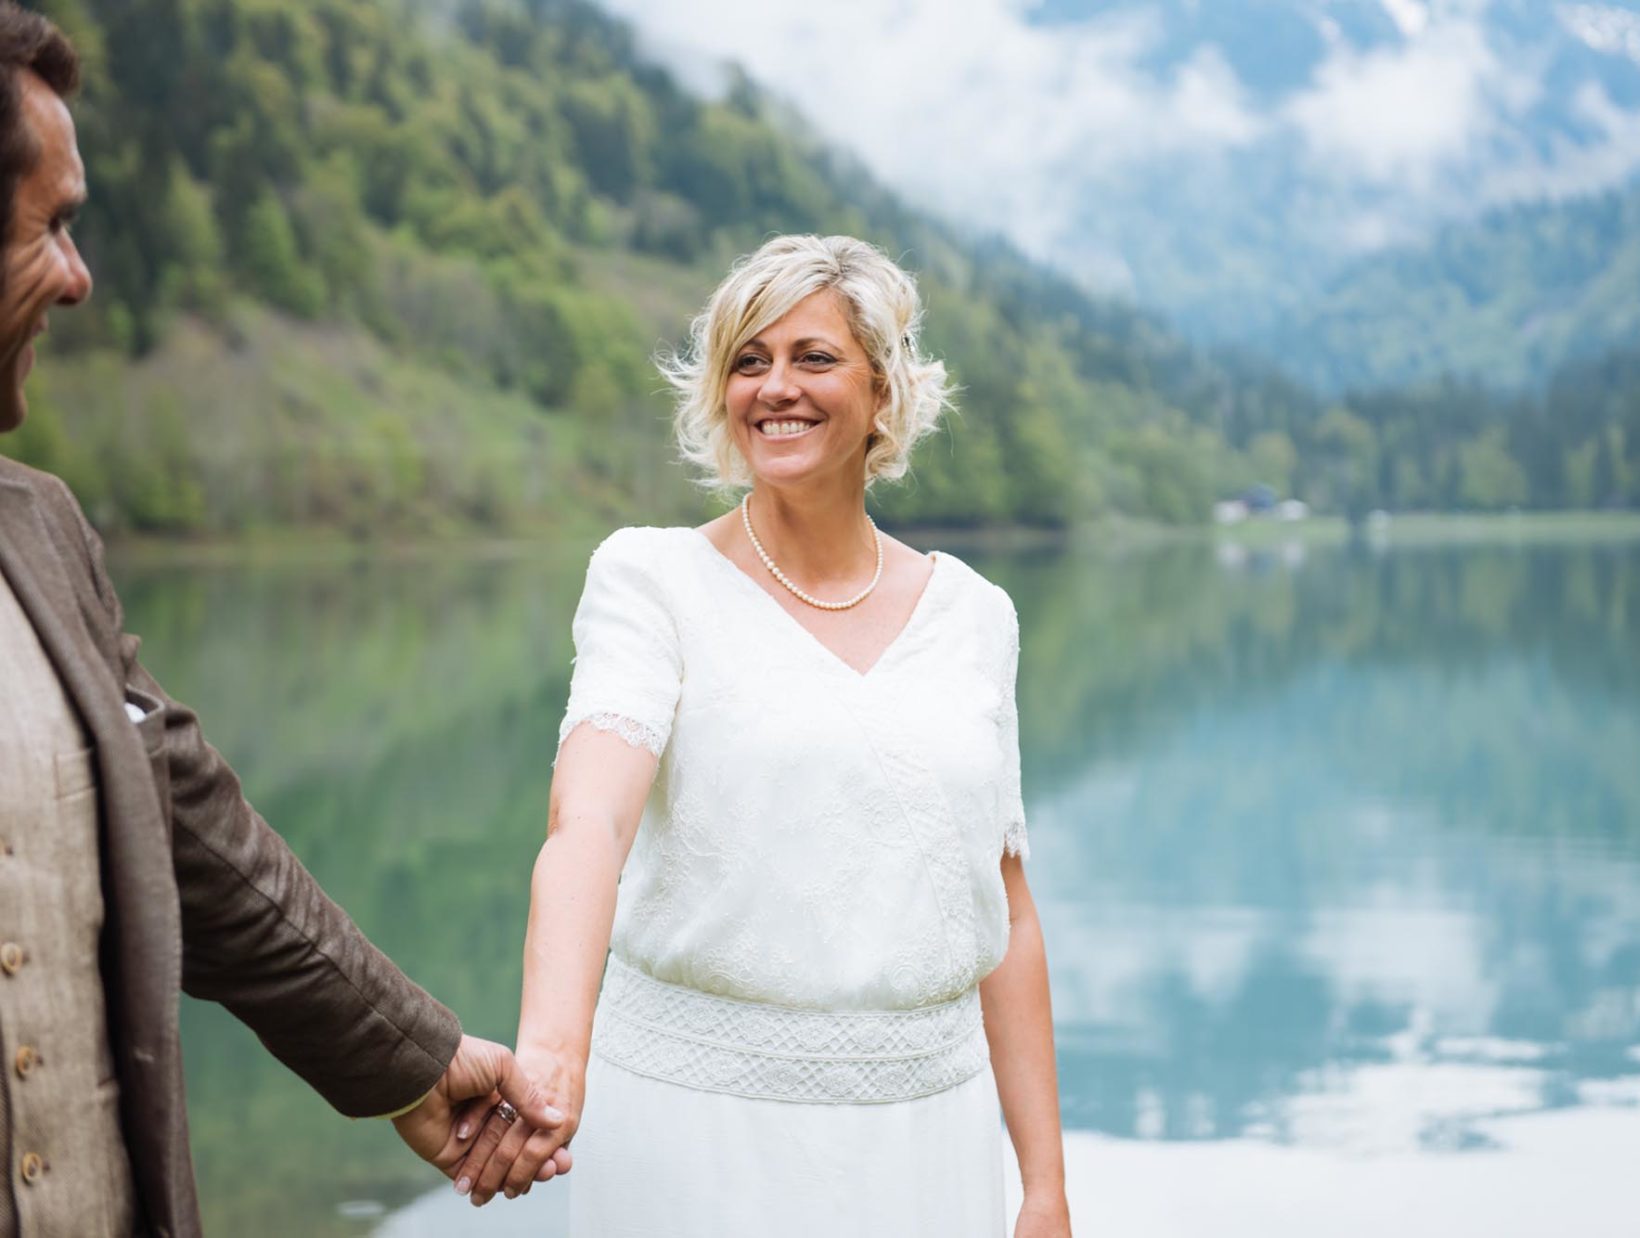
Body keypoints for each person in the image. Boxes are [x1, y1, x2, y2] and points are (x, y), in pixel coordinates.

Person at [0, 7, 565, 1233]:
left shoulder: (42, 534)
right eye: (51, 227)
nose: (81, 276)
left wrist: (409, 1053)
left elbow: (194, 836)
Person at [450, 234, 1074, 1236]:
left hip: (928, 1138)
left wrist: (1041, 1180)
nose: (774, 387)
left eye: (812, 357)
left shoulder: (975, 614)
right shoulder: (650, 581)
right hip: (698, 1138)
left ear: (883, 390)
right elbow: (587, 828)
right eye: (748, 360)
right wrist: (553, 1050)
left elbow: (1004, 907)